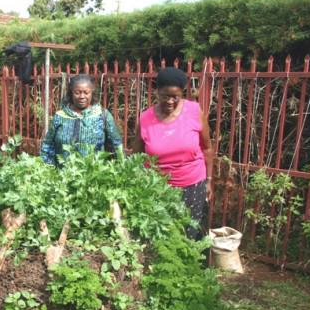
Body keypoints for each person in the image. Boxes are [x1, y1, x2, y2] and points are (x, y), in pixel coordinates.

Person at [133, 67, 213, 240]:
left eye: (175, 96)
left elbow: (207, 148)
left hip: (192, 184)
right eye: (165, 96)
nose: (170, 101)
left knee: (189, 234)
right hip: (157, 188)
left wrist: (209, 181)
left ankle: (189, 267)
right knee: (160, 236)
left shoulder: (193, 111)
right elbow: (136, 156)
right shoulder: (145, 118)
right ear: (157, 92)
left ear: (182, 93)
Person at [40, 74, 123, 165]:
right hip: (63, 176)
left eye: (86, 92)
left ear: (92, 92)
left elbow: (117, 146)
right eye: (77, 92)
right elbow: (47, 146)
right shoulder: (60, 116)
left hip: (95, 175)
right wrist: (48, 169)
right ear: (71, 92)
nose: (82, 96)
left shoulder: (103, 115)